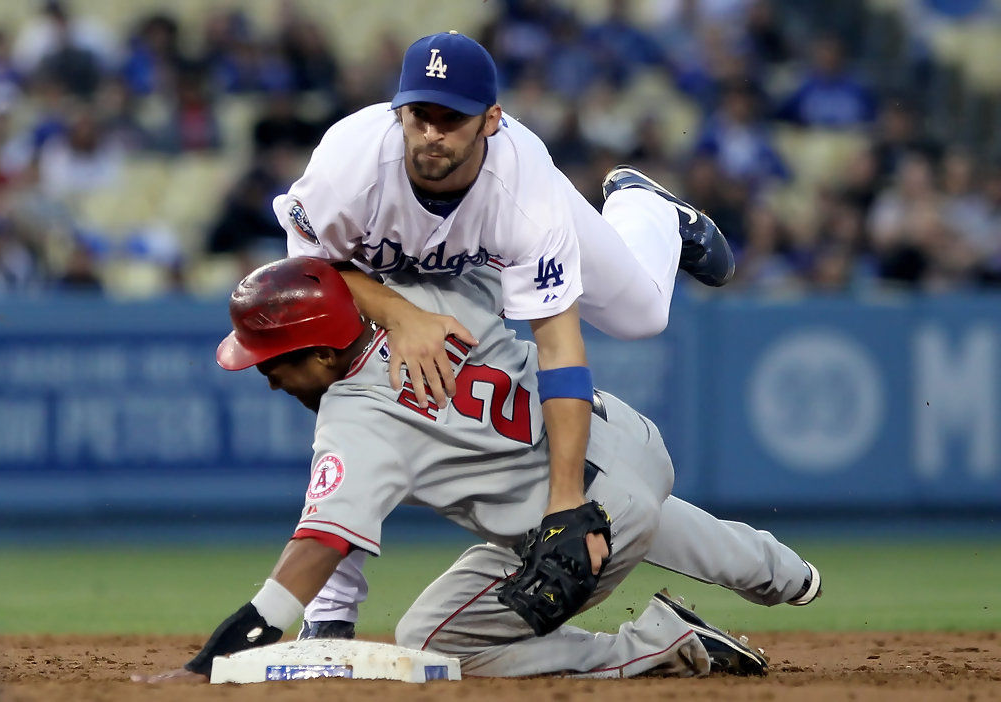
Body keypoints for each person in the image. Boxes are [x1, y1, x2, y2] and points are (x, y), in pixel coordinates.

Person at [134, 257, 816, 683]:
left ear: (319, 354)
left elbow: (318, 549)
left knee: (429, 642)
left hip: (581, 526)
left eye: (271, 363)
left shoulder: (355, 417)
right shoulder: (424, 298)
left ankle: (656, 645)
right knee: (606, 498)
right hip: (622, 436)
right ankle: (777, 569)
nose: (270, 381)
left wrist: (214, 658)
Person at [271, 30, 735, 629]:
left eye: (452, 118)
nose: (432, 131)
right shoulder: (347, 165)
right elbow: (310, 277)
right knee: (350, 400)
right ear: (398, 111)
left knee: (643, 315)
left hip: (489, 246)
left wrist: (566, 499)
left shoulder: (524, 186)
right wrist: (401, 314)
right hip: (381, 286)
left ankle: (643, 207)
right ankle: (329, 613)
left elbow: (558, 344)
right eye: (419, 115)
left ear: (492, 120)